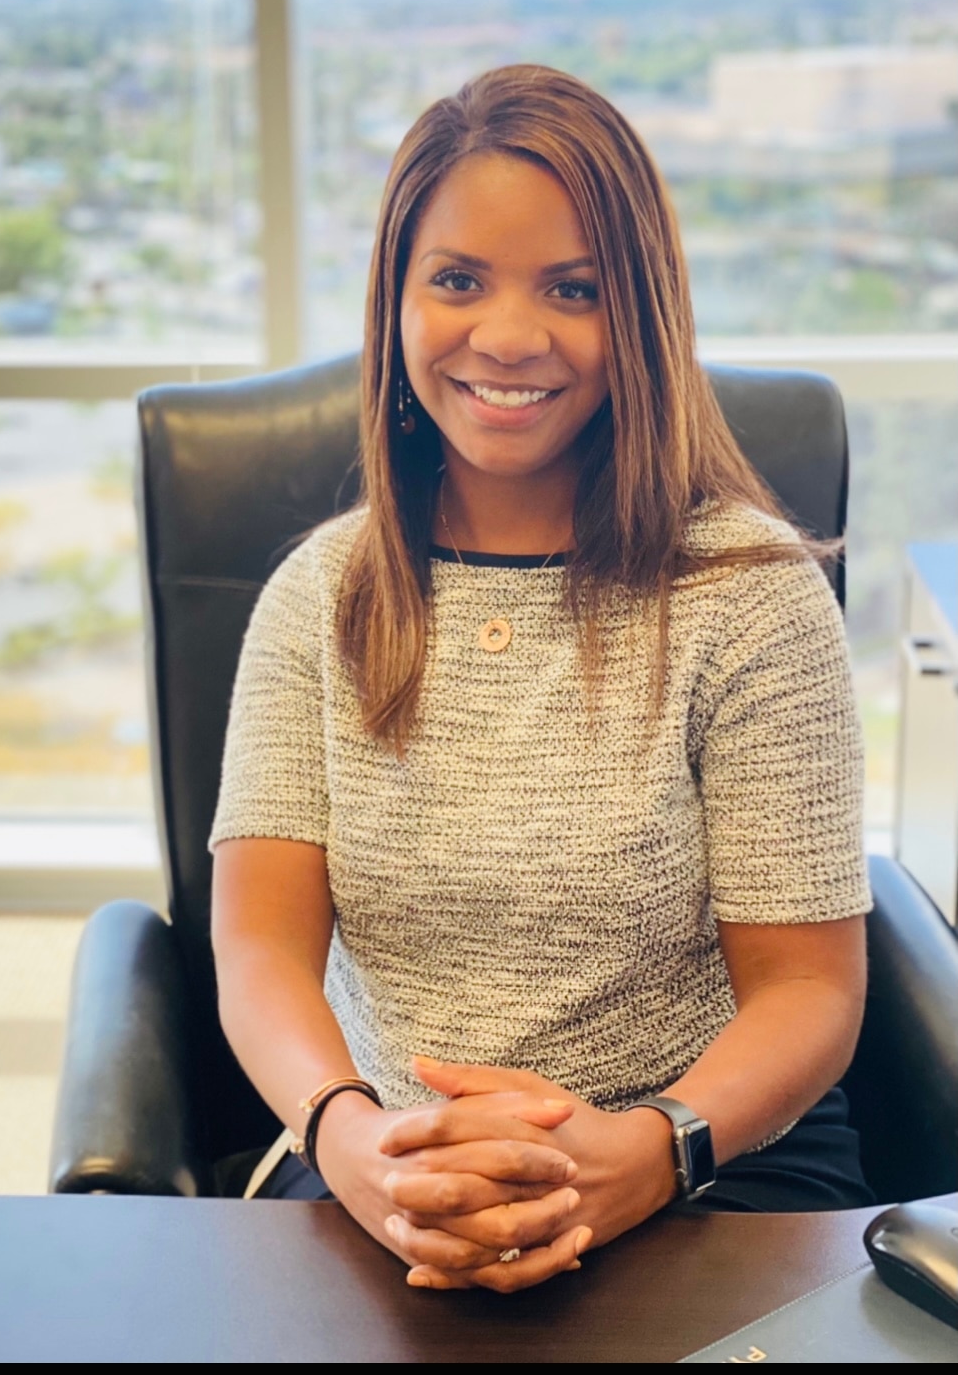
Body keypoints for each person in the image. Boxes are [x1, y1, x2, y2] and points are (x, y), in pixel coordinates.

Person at [208, 63, 873, 1294]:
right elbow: (257, 945)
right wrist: (354, 1140)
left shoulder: (750, 593)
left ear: (641, 315)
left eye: (573, 290)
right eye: (457, 280)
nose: (508, 338)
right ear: (395, 303)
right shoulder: (322, 594)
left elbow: (810, 989)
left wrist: (646, 1149)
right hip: (385, 1160)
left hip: (707, 1166)